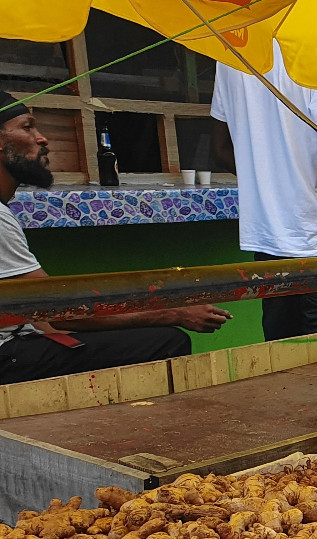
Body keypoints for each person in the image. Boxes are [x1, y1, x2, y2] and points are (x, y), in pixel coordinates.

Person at [0, 91, 230, 385]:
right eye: (27, 127)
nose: (42, 138)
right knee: (166, 342)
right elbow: (54, 308)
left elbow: (43, 315)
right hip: (9, 355)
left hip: (20, 340)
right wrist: (173, 312)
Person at [211, 44, 317, 341]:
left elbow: (221, 151)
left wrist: (268, 180)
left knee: (282, 356)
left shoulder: (230, 54)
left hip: (269, 243)